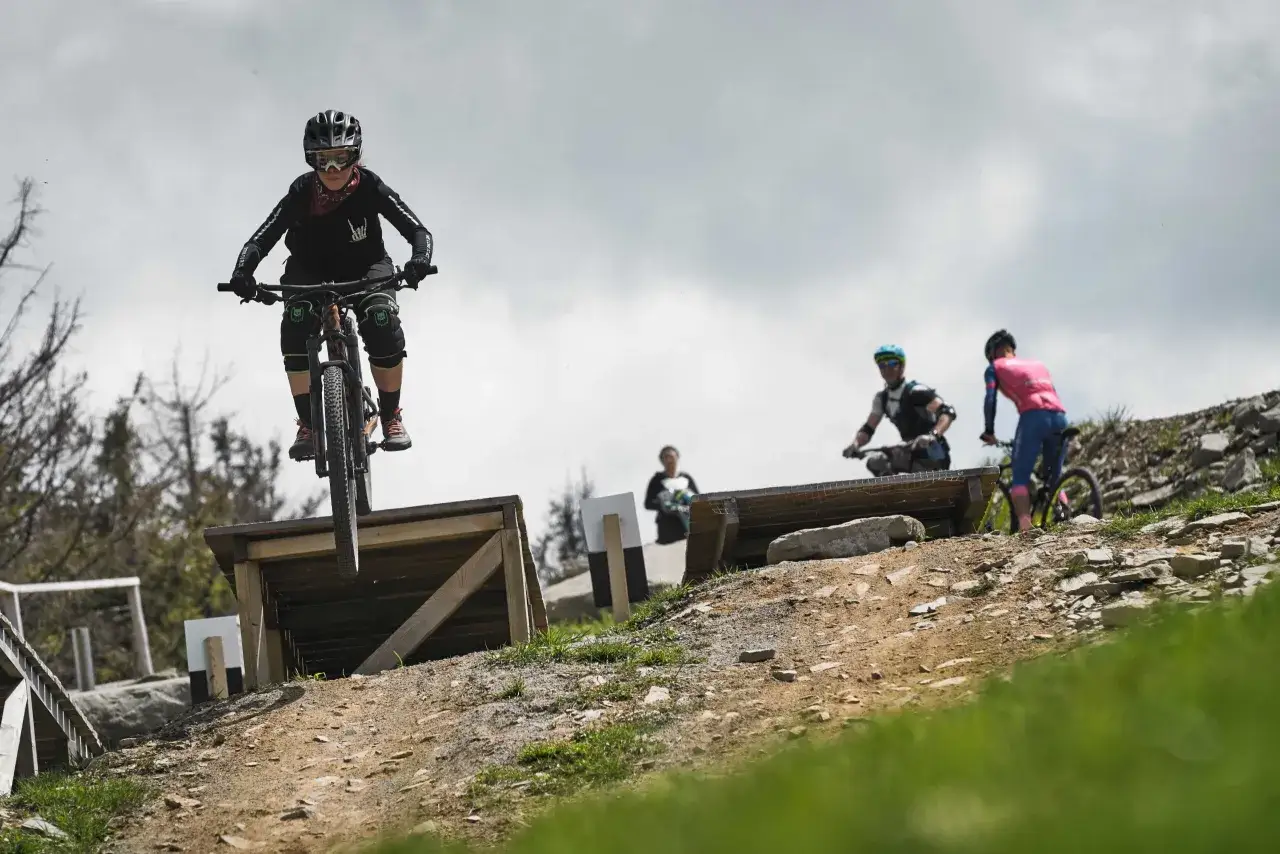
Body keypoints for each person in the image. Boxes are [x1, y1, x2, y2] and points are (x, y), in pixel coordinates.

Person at [224, 109, 435, 461]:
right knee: (294, 322)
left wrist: (419, 261)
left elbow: (418, 231)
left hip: (367, 267)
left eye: (342, 158)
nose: (333, 170)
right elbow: (262, 237)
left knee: (382, 320)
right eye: (324, 161)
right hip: (309, 270)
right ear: (312, 161)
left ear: (356, 156)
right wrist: (242, 273)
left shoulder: (370, 187)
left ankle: (390, 416)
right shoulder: (301, 191)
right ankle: (308, 424)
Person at [979, 329, 1069, 533]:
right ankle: (1064, 513)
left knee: (1019, 478)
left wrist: (989, 431)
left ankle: (1025, 528)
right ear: (1012, 349)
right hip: (1060, 416)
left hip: (1033, 418)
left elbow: (990, 399)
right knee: (1054, 475)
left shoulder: (994, 367)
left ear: (993, 353)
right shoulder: (1038, 365)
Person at [843, 345, 957, 476]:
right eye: (881, 365)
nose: (887, 369)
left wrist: (933, 435)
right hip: (909, 450)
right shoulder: (882, 399)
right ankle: (894, 494)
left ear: (902, 366)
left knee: (917, 469)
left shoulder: (916, 392)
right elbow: (868, 428)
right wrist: (856, 444)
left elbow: (947, 413)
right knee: (875, 462)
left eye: (892, 363)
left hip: (932, 454)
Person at [643, 445, 700, 545]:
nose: (669, 460)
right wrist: (665, 504)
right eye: (666, 458)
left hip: (688, 526)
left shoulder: (686, 478)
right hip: (667, 528)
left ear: (677, 458)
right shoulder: (657, 480)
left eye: (672, 457)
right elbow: (648, 504)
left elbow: (699, 500)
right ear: (662, 461)